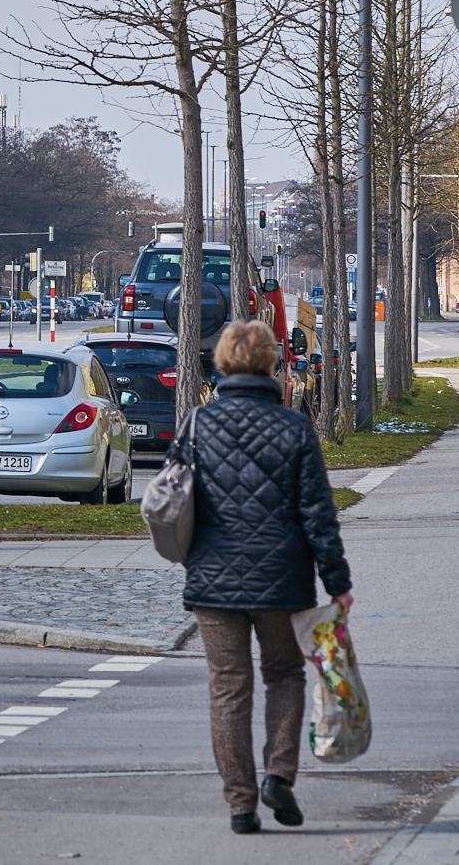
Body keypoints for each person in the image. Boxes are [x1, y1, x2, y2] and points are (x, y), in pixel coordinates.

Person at [175, 320, 352, 836]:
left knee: (228, 689)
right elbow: (318, 512)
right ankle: (278, 775)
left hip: (213, 580)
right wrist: (337, 581)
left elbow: (171, 497)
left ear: (223, 363)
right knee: (284, 675)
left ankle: (240, 804)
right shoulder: (294, 428)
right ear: (272, 363)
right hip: (282, 578)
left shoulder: (195, 425)